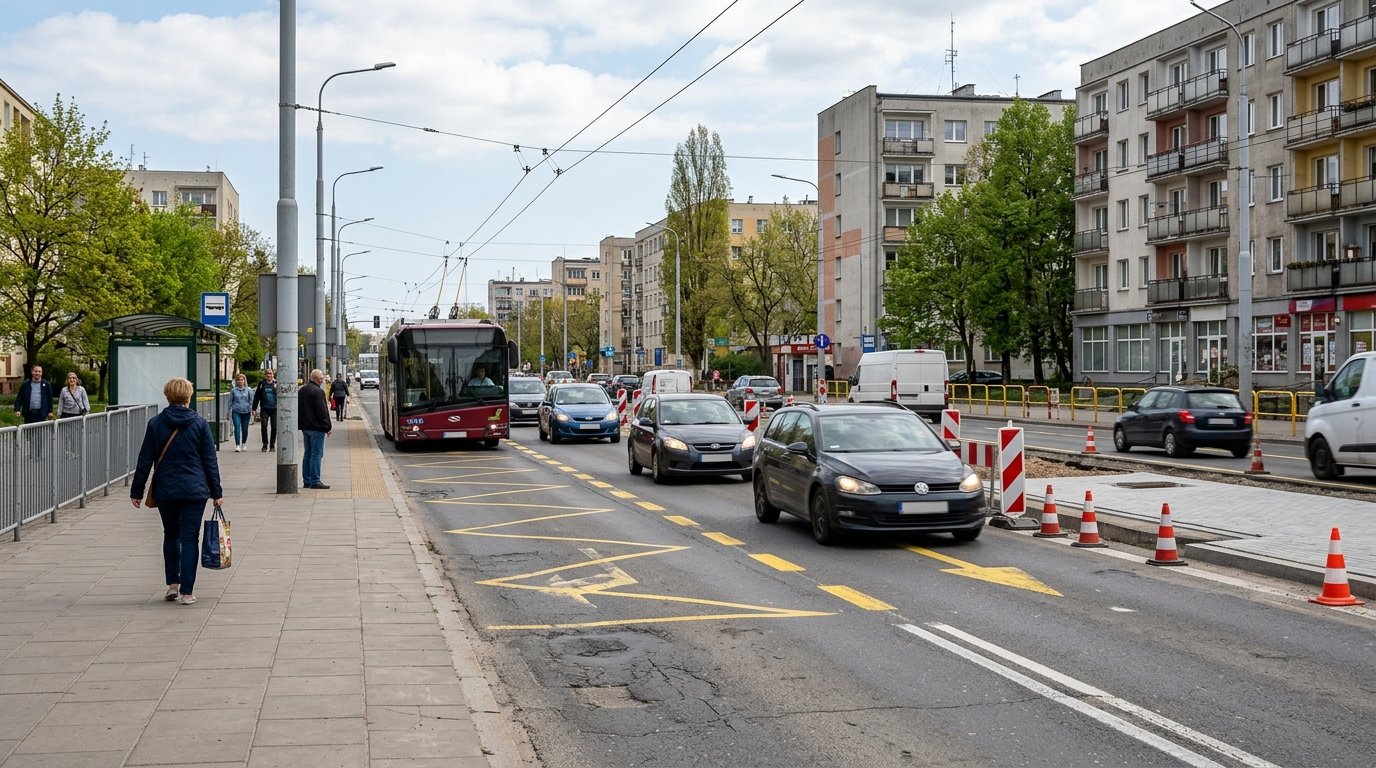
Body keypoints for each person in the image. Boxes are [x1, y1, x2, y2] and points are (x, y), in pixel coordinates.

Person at [130, 377, 223, 606]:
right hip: (195, 490)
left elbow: (145, 460)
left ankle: (172, 583)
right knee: (190, 538)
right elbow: (209, 461)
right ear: (188, 397)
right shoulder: (200, 424)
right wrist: (217, 492)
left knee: (170, 533)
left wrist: (137, 491)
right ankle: (187, 592)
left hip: (166, 489)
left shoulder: (155, 424)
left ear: (167, 396)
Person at [299, 368, 332, 489]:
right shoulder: (318, 392)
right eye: (321, 378)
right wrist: (327, 427)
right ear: (317, 379)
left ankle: (307, 480)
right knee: (316, 454)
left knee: (307, 453)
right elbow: (322, 411)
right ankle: (315, 481)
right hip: (317, 428)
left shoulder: (302, 390)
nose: (323, 380)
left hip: (305, 427)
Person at [251, 369, 279, 452]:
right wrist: (254, 408)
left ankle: (272, 445)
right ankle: (265, 444)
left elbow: (281, 396)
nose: (269, 375)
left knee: (274, 427)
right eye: (267, 374)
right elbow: (257, 396)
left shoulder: (276, 384)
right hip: (264, 409)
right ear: (265, 375)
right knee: (264, 426)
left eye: (270, 374)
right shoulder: (261, 384)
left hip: (274, 409)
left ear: (273, 375)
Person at [226, 373, 254, 452]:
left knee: (245, 429)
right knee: (237, 428)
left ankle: (244, 443)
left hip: (246, 411)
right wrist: (228, 411)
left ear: (244, 381)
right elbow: (230, 401)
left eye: (242, 380)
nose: (240, 381)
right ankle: (237, 445)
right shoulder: (233, 390)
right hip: (236, 411)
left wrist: (252, 410)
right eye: (238, 380)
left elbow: (251, 400)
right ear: (236, 381)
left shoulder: (248, 390)